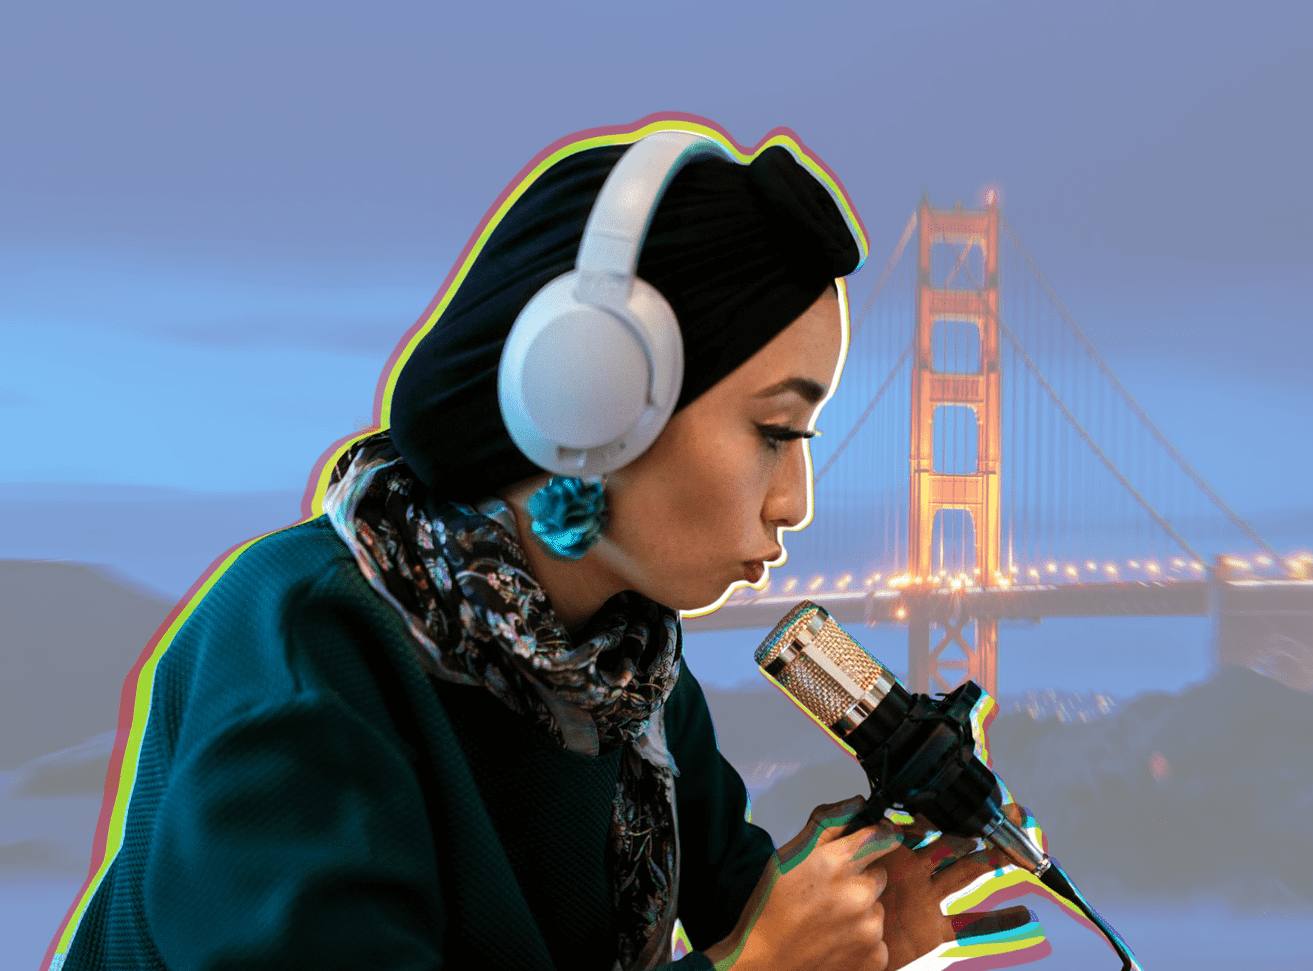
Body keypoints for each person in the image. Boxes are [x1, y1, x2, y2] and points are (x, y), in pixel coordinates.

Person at [46, 118, 1033, 971]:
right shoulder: (302, 652)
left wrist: (864, 923)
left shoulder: (627, 675)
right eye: (775, 431)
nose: (796, 502)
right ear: (592, 397)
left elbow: (744, 908)